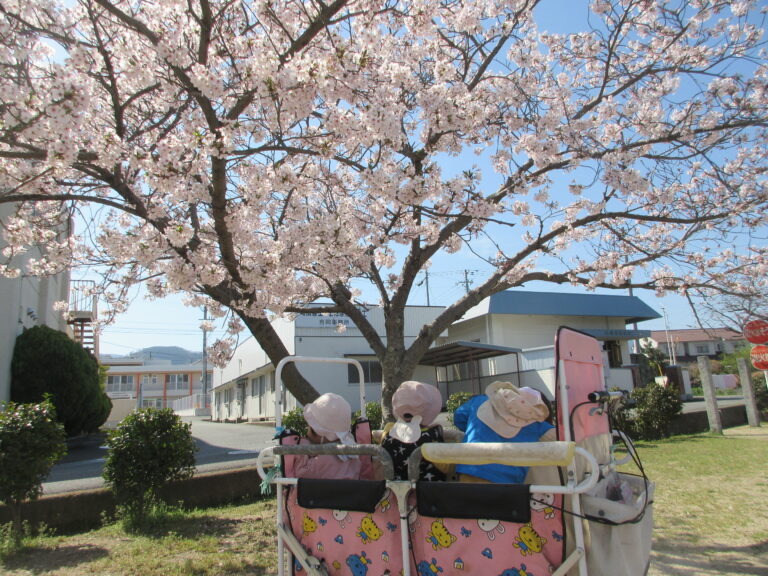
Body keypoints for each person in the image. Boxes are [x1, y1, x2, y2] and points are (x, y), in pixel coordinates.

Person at [453, 382, 555, 484]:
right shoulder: (537, 423)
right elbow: (556, 436)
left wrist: (478, 425)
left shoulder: (479, 401)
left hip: (469, 470)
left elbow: (459, 417)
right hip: (508, 481)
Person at [380, 380, 447, 481]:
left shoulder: (389, 433)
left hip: (396, 491)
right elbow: (445, 467)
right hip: (427, 492)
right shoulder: (432, 434)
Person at [293, 393, 362, 480]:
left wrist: (302, 448)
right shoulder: (353, 453)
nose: (307, 429)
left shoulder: (325, 459)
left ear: (321, 434)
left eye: (310, 426)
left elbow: (300, 473)